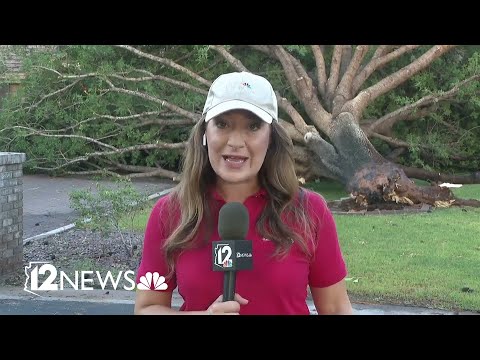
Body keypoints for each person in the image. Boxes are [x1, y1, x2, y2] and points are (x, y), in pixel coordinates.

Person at [134, 71, 353, 315]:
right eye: (223, 124)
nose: (236, 141)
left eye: (253, 126)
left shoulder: (310, 211)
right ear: (205, 133)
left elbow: (335, 308)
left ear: (271, 138)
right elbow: (147, 308)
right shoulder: (169, 212)